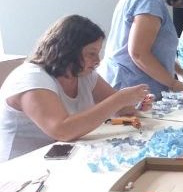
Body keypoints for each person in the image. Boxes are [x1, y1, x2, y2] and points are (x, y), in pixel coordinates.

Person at [0, 15, 152, 161]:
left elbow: (121, 109)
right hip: (21, 167)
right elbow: (62, 131)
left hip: (63, 157)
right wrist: (119, 99)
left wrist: (135, 102)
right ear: (68, 50)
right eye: (91, 54)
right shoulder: (32, 78)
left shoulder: (83, 74)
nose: (98, 60)